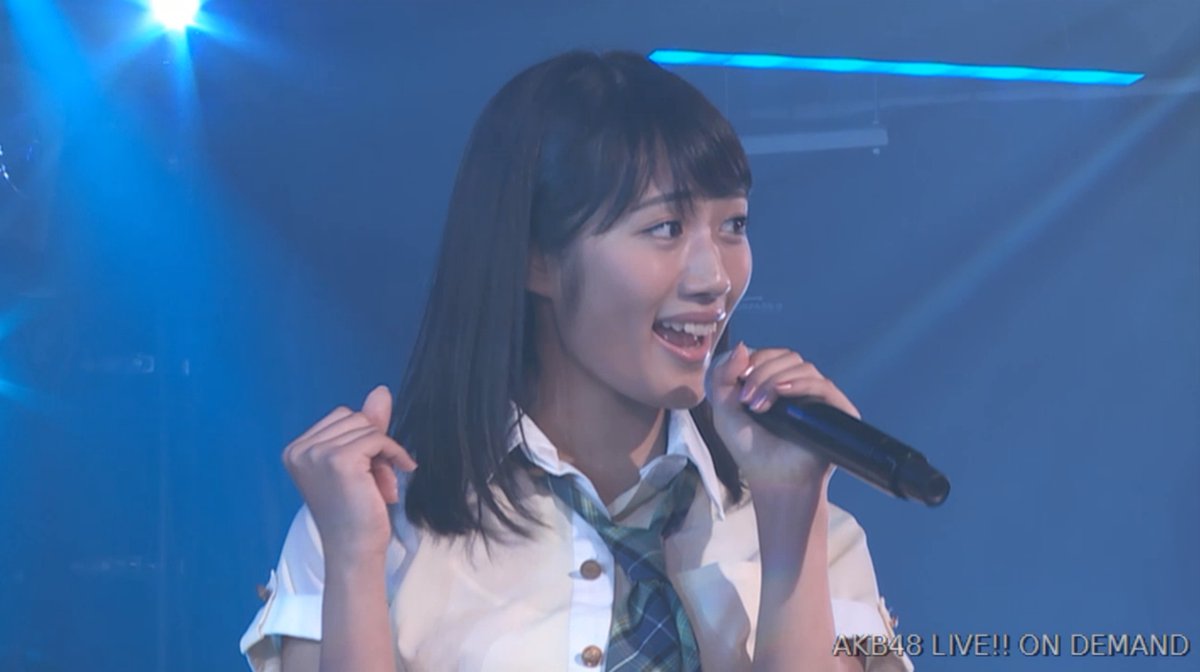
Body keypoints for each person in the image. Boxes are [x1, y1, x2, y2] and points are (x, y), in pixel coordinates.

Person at [240, 50, 913, 672]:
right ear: (535, 256)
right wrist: (353, 561)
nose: (716, 278)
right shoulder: (370, 527)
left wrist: (793, 525)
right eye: (666, 228)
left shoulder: (817, 535)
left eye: (732, 225)